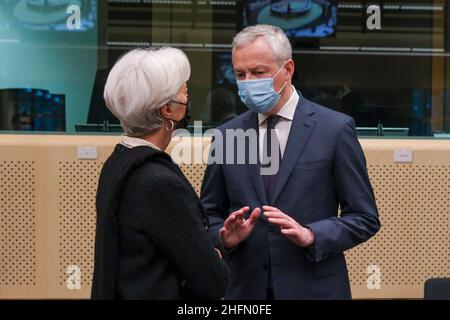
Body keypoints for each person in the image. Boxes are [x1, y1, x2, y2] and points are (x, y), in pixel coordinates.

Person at [201, 25, 380, 299]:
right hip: (247, 291)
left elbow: (365, 217)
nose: (248, 81)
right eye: (240, 74)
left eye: (258, 72)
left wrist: (312, 234)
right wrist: (224, 239)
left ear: (288, 69)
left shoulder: (334, 129)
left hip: (314, 289)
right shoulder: (227, 135)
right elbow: (209, 214)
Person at [91, 47, 229, 300]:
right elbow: (213, 280)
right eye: (185, 92)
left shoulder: (118, 163)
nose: (188, 100)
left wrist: (219, 246)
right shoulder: (158, 182)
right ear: (168, 109)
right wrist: (213, 258)